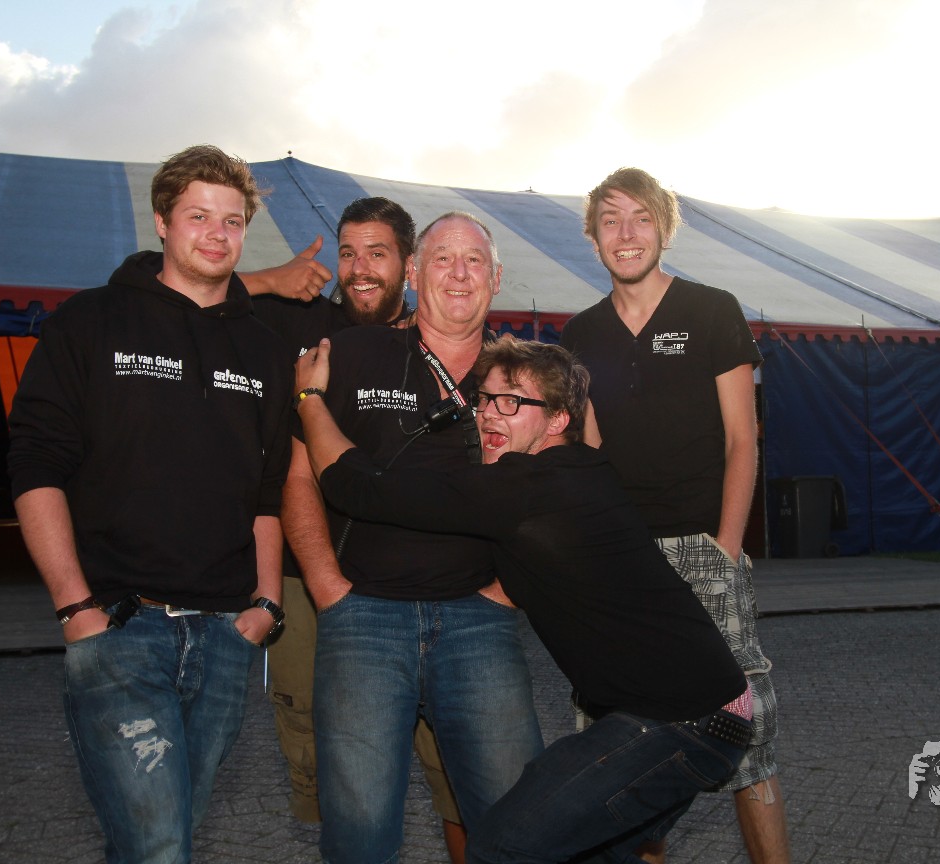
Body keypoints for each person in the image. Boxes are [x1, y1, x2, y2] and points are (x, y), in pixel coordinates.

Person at [296, 335, 754, 863]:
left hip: (682, 720)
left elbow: (359, 488)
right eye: (485, 399)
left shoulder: (527, 488)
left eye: (512, 401)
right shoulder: (580, 469)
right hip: (701, 711)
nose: (490, 413)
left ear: (558, 420)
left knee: (503, 844)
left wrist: (309, 398)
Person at [7, 144, 292, 863]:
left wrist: (264, 605)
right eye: (199, 216)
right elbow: (35, 464)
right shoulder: (90, 322)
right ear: (162, 221)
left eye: (232, 221)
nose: (217, 234)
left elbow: (267, 490)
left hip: (226, 635)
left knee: (165, 839)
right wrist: (76, 608)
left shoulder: (263, 351)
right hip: (121, 628)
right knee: (159, 845)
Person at [283, 211, 545, 863]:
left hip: (480, 620)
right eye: (443, 259)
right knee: (360, 832)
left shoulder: (522, 379)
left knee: (520, 823)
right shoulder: (350, 354)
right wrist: (326, 586)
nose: (459, 273)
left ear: (496, 278)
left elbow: (561, 486)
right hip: (363, 616)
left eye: (474, 260)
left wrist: (507, 591)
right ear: (416, 273)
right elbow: (299, 475)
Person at [559, 167, 791, 864]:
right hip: (622, 561)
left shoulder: (712, 310)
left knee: (747, 734)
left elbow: (742, 439)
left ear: (663, 227)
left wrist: (725, 547)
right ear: (593, 238)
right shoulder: (581, 332)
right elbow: (589, 453)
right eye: (610, 220)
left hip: (702, 547)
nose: (626, 234)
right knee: (627, 745)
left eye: (640, 218)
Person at [251, 196, 467, 859]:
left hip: (418, 585)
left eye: (378, 253)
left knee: (452, 757)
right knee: (320, 749)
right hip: (309, 577)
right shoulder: (296, 321)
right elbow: (169, 289)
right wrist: (265, 280)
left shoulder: (441, 338)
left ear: (409, 264)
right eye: (348, 254)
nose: (360, 269)